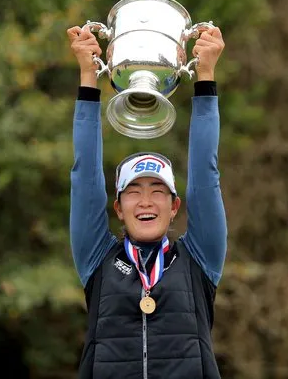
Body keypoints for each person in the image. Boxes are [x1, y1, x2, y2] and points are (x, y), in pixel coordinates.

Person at [66, 23, 227, 379]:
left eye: (158, 191)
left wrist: (205, 77)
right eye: (134, 192)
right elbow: (84, 178)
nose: (145, 201)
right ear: (118, 209)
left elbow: (206, 175)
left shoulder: (199, 260)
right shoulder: (97, 260)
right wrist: (88, 78)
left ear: (174, 207)